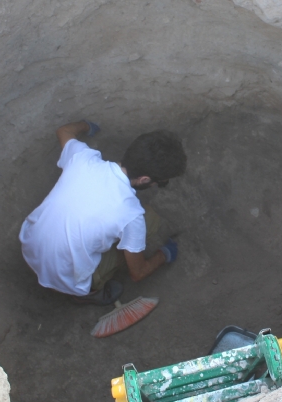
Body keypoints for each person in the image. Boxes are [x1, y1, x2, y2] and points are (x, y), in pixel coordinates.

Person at [20, 120, 187, 305]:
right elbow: (137, 273)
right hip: (65, 279)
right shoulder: (131, 216)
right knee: (151, 220)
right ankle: (89, 292)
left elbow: (63, 130)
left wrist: (87, 126)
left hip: (29, 248)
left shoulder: (83, 158)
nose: (158, 185)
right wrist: (164, 254)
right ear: (144, 179)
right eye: (160, 181)